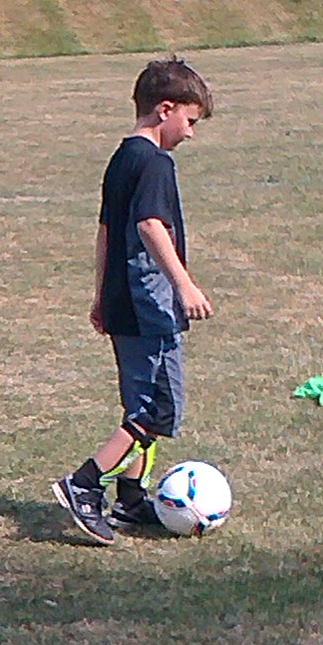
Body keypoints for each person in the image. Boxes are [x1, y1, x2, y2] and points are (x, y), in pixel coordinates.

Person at [52, 56, 215, 546]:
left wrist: (100, 294)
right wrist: (184, 284)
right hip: (150, 305)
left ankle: (130, 497)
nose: (190, 133)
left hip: (123, 299)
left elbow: (106, 230)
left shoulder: (123, 156)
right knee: (155, 408)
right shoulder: (155, 162)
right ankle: (84, 484)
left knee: (143, 403)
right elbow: (149, 225)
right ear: (165, 109)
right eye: (190, 120)